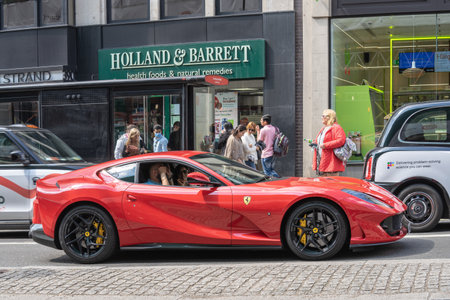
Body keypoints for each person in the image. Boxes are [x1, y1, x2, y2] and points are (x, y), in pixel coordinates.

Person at [312, 109, 346, 176]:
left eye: (323, 116)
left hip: (331, 162)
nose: (321, 118)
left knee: (331, 184)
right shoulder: (324, 128)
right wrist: (315, 143)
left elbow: (341, 140)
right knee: (323, 184)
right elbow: (321, 141)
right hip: (322, 161)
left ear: (329, 117)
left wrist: (325, 145)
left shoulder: (336, 128)